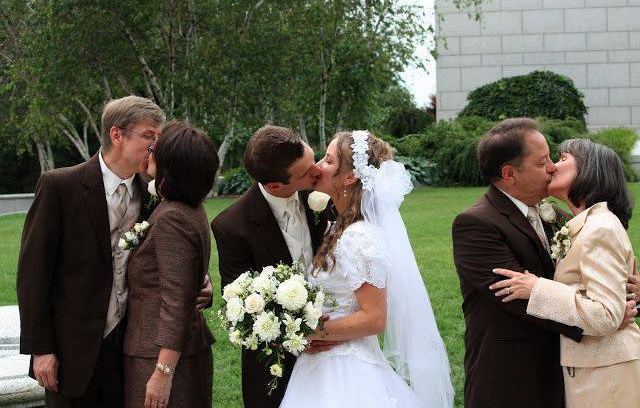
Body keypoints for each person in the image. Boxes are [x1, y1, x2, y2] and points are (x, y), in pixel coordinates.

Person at [16, 96, 212, 407]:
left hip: (130, 348)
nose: (155, 146)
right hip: (72, 349)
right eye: (149, 136)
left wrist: (201, 283)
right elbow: (33, 276)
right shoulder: (60, 186)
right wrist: (41, 349)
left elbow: (173, 255)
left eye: (159, 138)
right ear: (116, 135)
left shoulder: (156, 194)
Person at [452, 118, 639, 408]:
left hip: (568, 371)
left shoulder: (560, 217)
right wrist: (607, 319)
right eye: (543, 162)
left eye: (555, 158)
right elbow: (518, 297)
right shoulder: (475, 224)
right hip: (512, 377)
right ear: (510, 174)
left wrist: (628, 293)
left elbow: (600, 270)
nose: (552, 166)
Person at [281, 130, 454, 407]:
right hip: (324, 365)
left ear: (350, 176)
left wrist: (309, 332)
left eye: (328, 160)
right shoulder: (340, 226)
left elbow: (374, 318)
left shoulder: (359, 237)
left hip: (346, 371)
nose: (318, 168)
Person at [211, 125, 333, 407]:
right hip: (274, 365)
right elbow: (240, 308)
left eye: (312, 159)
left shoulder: (322, 198)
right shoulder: (231, 226)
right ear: (275, 185)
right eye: (305, 172)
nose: (317, 171)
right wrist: (301, 335)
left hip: (332, 354)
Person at [123, 120, 218, 407]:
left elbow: (176, 303)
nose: (149, 152)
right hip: (176, 351)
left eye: (156, 149)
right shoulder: (188, 207)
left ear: (171, 165)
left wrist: (163, 373)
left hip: (160, 356)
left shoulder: (172, 219)